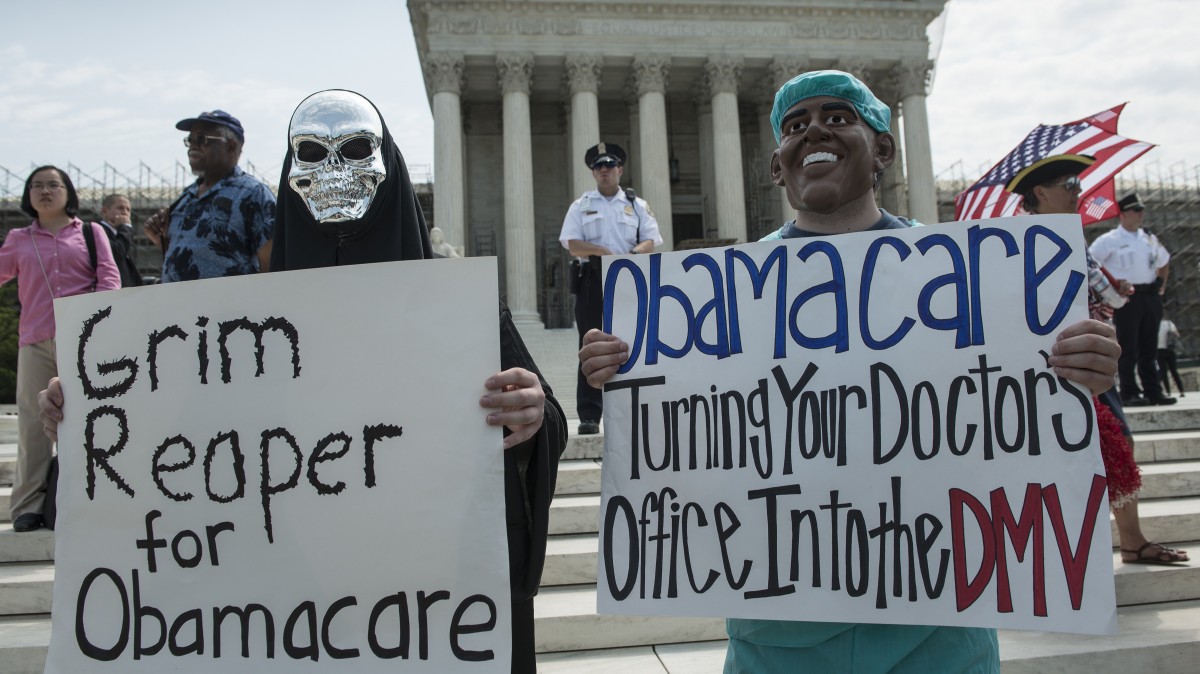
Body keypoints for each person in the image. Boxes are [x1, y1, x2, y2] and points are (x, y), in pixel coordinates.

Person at [580, 70, 1125, 672]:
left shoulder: (979, 279)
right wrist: (630, 374)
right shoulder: (711, 306)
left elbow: (1018, 427)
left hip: (939, 620)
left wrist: (1083, 373)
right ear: (776, 166)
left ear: (884, 150)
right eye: (795, 125)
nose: (814, 130)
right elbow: (695, 449)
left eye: (838, 117)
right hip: (780, 624)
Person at [43, 90, 566, 673]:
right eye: (313, 153)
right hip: (295, 604)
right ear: (292, 173)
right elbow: (184, 447)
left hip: (430, 598)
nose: (336, 172)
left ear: (387, 165)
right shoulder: (236, 334)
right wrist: (93, 412)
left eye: (357, 150)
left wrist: (532, 411)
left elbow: (546, 423)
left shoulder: (456, 307)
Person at [1010, 156, 1188, 566]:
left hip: (1040, 365)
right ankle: (1130, 540)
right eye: (1070, 183)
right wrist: (1119, 287)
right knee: (1115, 441)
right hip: (1080, 363)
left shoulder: (1015, 238)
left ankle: (1062, 549)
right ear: (1041, 192)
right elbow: (1111, 297)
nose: (1078, 191)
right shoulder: (1061, 238)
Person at [1, 166, 120, 532]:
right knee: (31, 423)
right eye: (37, 186)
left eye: (54, 184)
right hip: (35, 339)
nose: (45, 191)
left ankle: (96, 495)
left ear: (68, 192)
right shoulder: (18, 238)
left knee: (90, 418)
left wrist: (94, 324)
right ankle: (28, 504)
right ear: (28, 196)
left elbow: (109, 279)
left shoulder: (90, 231)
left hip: (84, 341)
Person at [559, 142, 662, 434]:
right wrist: (602, 251)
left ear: (620, 169)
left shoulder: (636, 205)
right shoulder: (581, 206)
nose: (604, 171)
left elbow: (651, 240)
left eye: (609, 166)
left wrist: (634, 255)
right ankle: (590, 415)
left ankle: (636, 409)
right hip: (592, 277)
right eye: (598, 167)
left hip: (629, 276)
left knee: (633, 342)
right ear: (593, 173)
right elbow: (571, 244)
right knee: (590, 344)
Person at [143, 110, 275, 282]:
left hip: (228, 307)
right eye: (190, 140)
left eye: (201, 139)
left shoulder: (253, 194)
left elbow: (272, 267)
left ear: (231, 146)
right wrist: (159, 238)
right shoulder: (187, 197)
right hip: (177, 306)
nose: (193, 146)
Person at [1089, 193, 1174, 406]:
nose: (1141, 214)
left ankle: (1153, 391)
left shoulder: (1149, 238)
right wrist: (1113, 284)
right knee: (1128, 346)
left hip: (1150, 295)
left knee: (1150, 346)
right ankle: (1129, 391)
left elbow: (1164, 261)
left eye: (1142, 210)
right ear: (1124, 213)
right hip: (1127, 298)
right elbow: (1090, 263)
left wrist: (1161, 285)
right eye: (1137, 210)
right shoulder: (1109, 240)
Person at [97, 193, 144, 287]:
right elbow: (118, 253)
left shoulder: (121, 233)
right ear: (104, 211)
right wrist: (126, 227)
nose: (125, 212)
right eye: (120, 208)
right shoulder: (98, 231)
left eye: (128, 210)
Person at [1157, 315, 1185, 397]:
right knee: (1174, 371)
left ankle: (1168, 392)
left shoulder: (1155, 324)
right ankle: (1181, 391)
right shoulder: (1169, 323)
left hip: (1159, 350)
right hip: (1170, 350)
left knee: (1163, 372)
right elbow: (1177, 335)